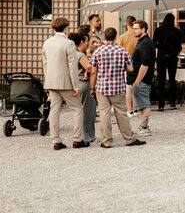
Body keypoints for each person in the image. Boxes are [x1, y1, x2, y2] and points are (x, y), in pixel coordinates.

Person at [88, 28, 146, 148]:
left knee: (104, 114)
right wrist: (121, 68)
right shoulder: (122, 51)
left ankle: (107, 141)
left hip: (102, 87)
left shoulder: (98, 52)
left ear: (105, 37)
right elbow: (130, 69)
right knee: (121, 113)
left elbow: (93, 72)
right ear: (116, 37)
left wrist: (92, 88)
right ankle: (129, 139)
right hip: (118, 87)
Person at [41, 16, 83, 150]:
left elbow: (45, 64)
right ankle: (77, 139)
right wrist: (76, 85)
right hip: (66, 82)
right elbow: (72, 66)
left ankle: (56, 141)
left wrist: (47, 82)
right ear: (66, 28)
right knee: (77, 109)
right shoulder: (69, 43)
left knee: (54, 110)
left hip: (51, 82)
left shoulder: (46, 43)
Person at [69, 31, 96, 147]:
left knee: (79, 110)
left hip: (74, 84)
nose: (87, 44)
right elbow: (89, 68)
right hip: (84, 84)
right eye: (86, 42)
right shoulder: (80, 55)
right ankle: (87, 135)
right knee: (88, 111)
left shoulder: (70, 53)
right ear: (81, 42)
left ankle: (80, 134)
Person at [128, 20, 155, 136]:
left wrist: (138, 80)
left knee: (144, 104)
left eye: (136, 28)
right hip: (138, 78)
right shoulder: (143, 42)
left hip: (141, 79)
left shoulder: (145, 43)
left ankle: (144, 127)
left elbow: (145, 64)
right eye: (133, 28)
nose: (134, 31)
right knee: (140, 104)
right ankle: (143, 126)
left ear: (143, 29)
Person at [154, 12, 183, 111]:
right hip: (172, 57)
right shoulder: (176, 31)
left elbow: (154, 44)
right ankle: (172, 103)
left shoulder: (158, 30)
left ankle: (161, 105)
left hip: (161, 57)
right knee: (172, 80)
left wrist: (161, 46)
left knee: (161, 81)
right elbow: (179, 47)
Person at [117, 16, 138, 114]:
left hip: (126, 64)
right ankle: (137, 108)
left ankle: (129, 109)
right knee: (137, 85)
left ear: (126, 24)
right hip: (138, 62)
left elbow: (118, 52)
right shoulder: (137, 36)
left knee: (128, 87)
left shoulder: (122, 37)